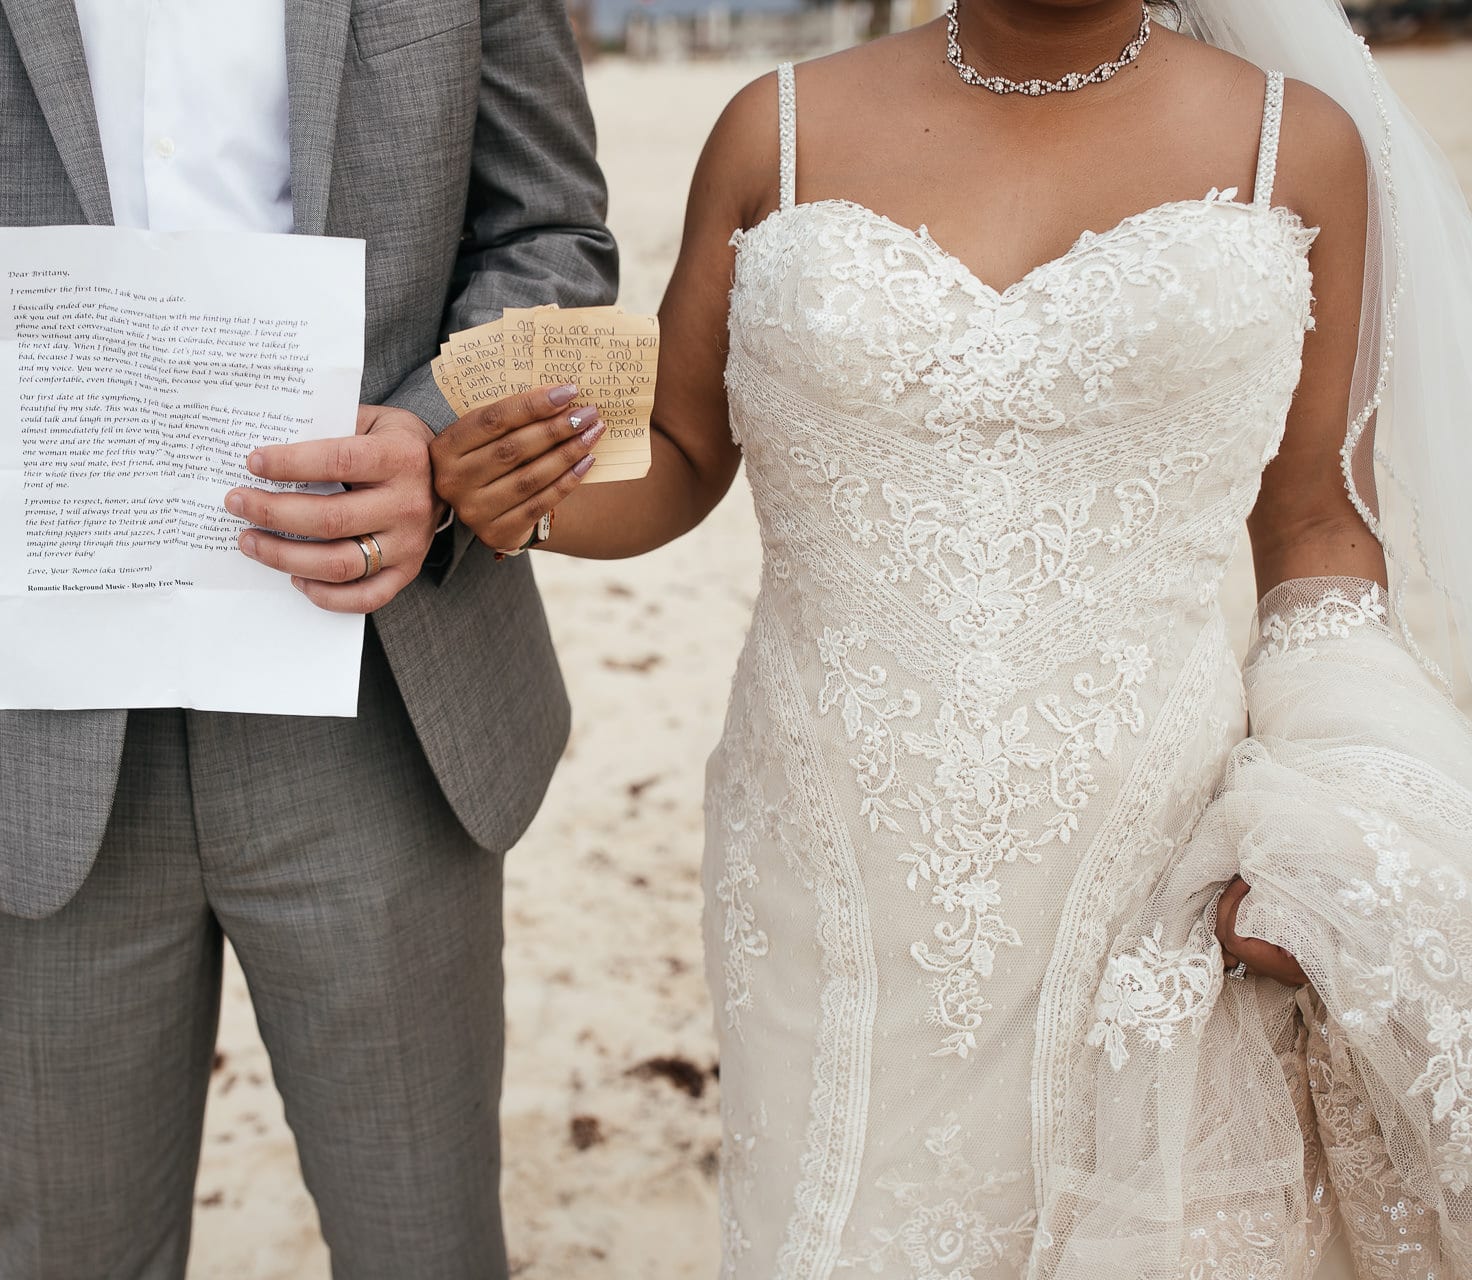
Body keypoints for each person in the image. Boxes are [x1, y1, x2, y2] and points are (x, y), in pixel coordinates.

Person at [431, 0, 1472, 1274]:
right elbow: (687, 453)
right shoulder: (775, 130)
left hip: (1147, 853)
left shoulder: (1294, 146)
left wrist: (1336, 814)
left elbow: (1317, 527)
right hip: (827, 854)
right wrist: (520, 505)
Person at [0, 2, 615, 1276]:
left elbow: (555, 240)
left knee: (429, 1244)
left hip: (389, 694)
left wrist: (437, 441)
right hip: (3, 723)